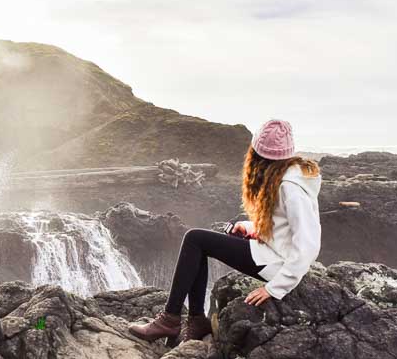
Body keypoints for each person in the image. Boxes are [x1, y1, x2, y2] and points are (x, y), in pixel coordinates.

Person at [129, 118, 322, 344]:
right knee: (199, 244)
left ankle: (170, 320)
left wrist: (274, 288)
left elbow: (308, 244)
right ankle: (195, 321)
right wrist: (251, 228)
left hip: (276, 264)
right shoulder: (284, 176)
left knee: (195, 239)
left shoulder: (290, 187)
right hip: (269, 252)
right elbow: (282, 227)